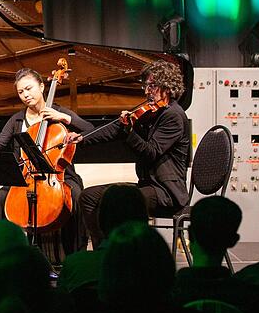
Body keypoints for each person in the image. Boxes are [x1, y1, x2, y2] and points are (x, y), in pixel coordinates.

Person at [73, 60, 190, 247]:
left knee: (119, 202)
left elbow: (151, 152)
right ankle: (102, 250)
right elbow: (114, 129)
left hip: (166, 192)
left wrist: (129, 132)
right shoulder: (152, 112)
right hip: (147, 185)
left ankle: (128, 253)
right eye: (146, 86)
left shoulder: (173, 115)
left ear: (166, 87)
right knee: (88, 196)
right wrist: (82, 138)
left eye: (152, 86)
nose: (146, 91)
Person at [0, 67, 94, 256]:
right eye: (21, 92)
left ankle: (76, 254)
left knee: (76, 196)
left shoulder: (58, 112)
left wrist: (65, 118)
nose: (25, 95)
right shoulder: (17, 119)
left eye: (29, 89)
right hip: (25, 177)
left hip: (59, 176)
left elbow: (90, 129)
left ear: (42, 86)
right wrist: (1, 162)